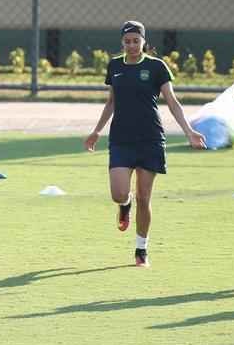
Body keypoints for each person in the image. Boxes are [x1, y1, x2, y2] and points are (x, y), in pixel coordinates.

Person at [84, 21, 205, 267]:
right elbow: (111, 103)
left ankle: (141, 250)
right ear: (122, 42)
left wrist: (189, 131)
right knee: (119, 193)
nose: (131, 45)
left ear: (143, 42)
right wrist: (97, 131)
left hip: (150, 139)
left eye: (135, 41)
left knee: (144, 197)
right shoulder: (115, 65)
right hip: (121, 139)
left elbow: (172, 102)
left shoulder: (156, 66)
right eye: (127, 41)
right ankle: (124, 205)